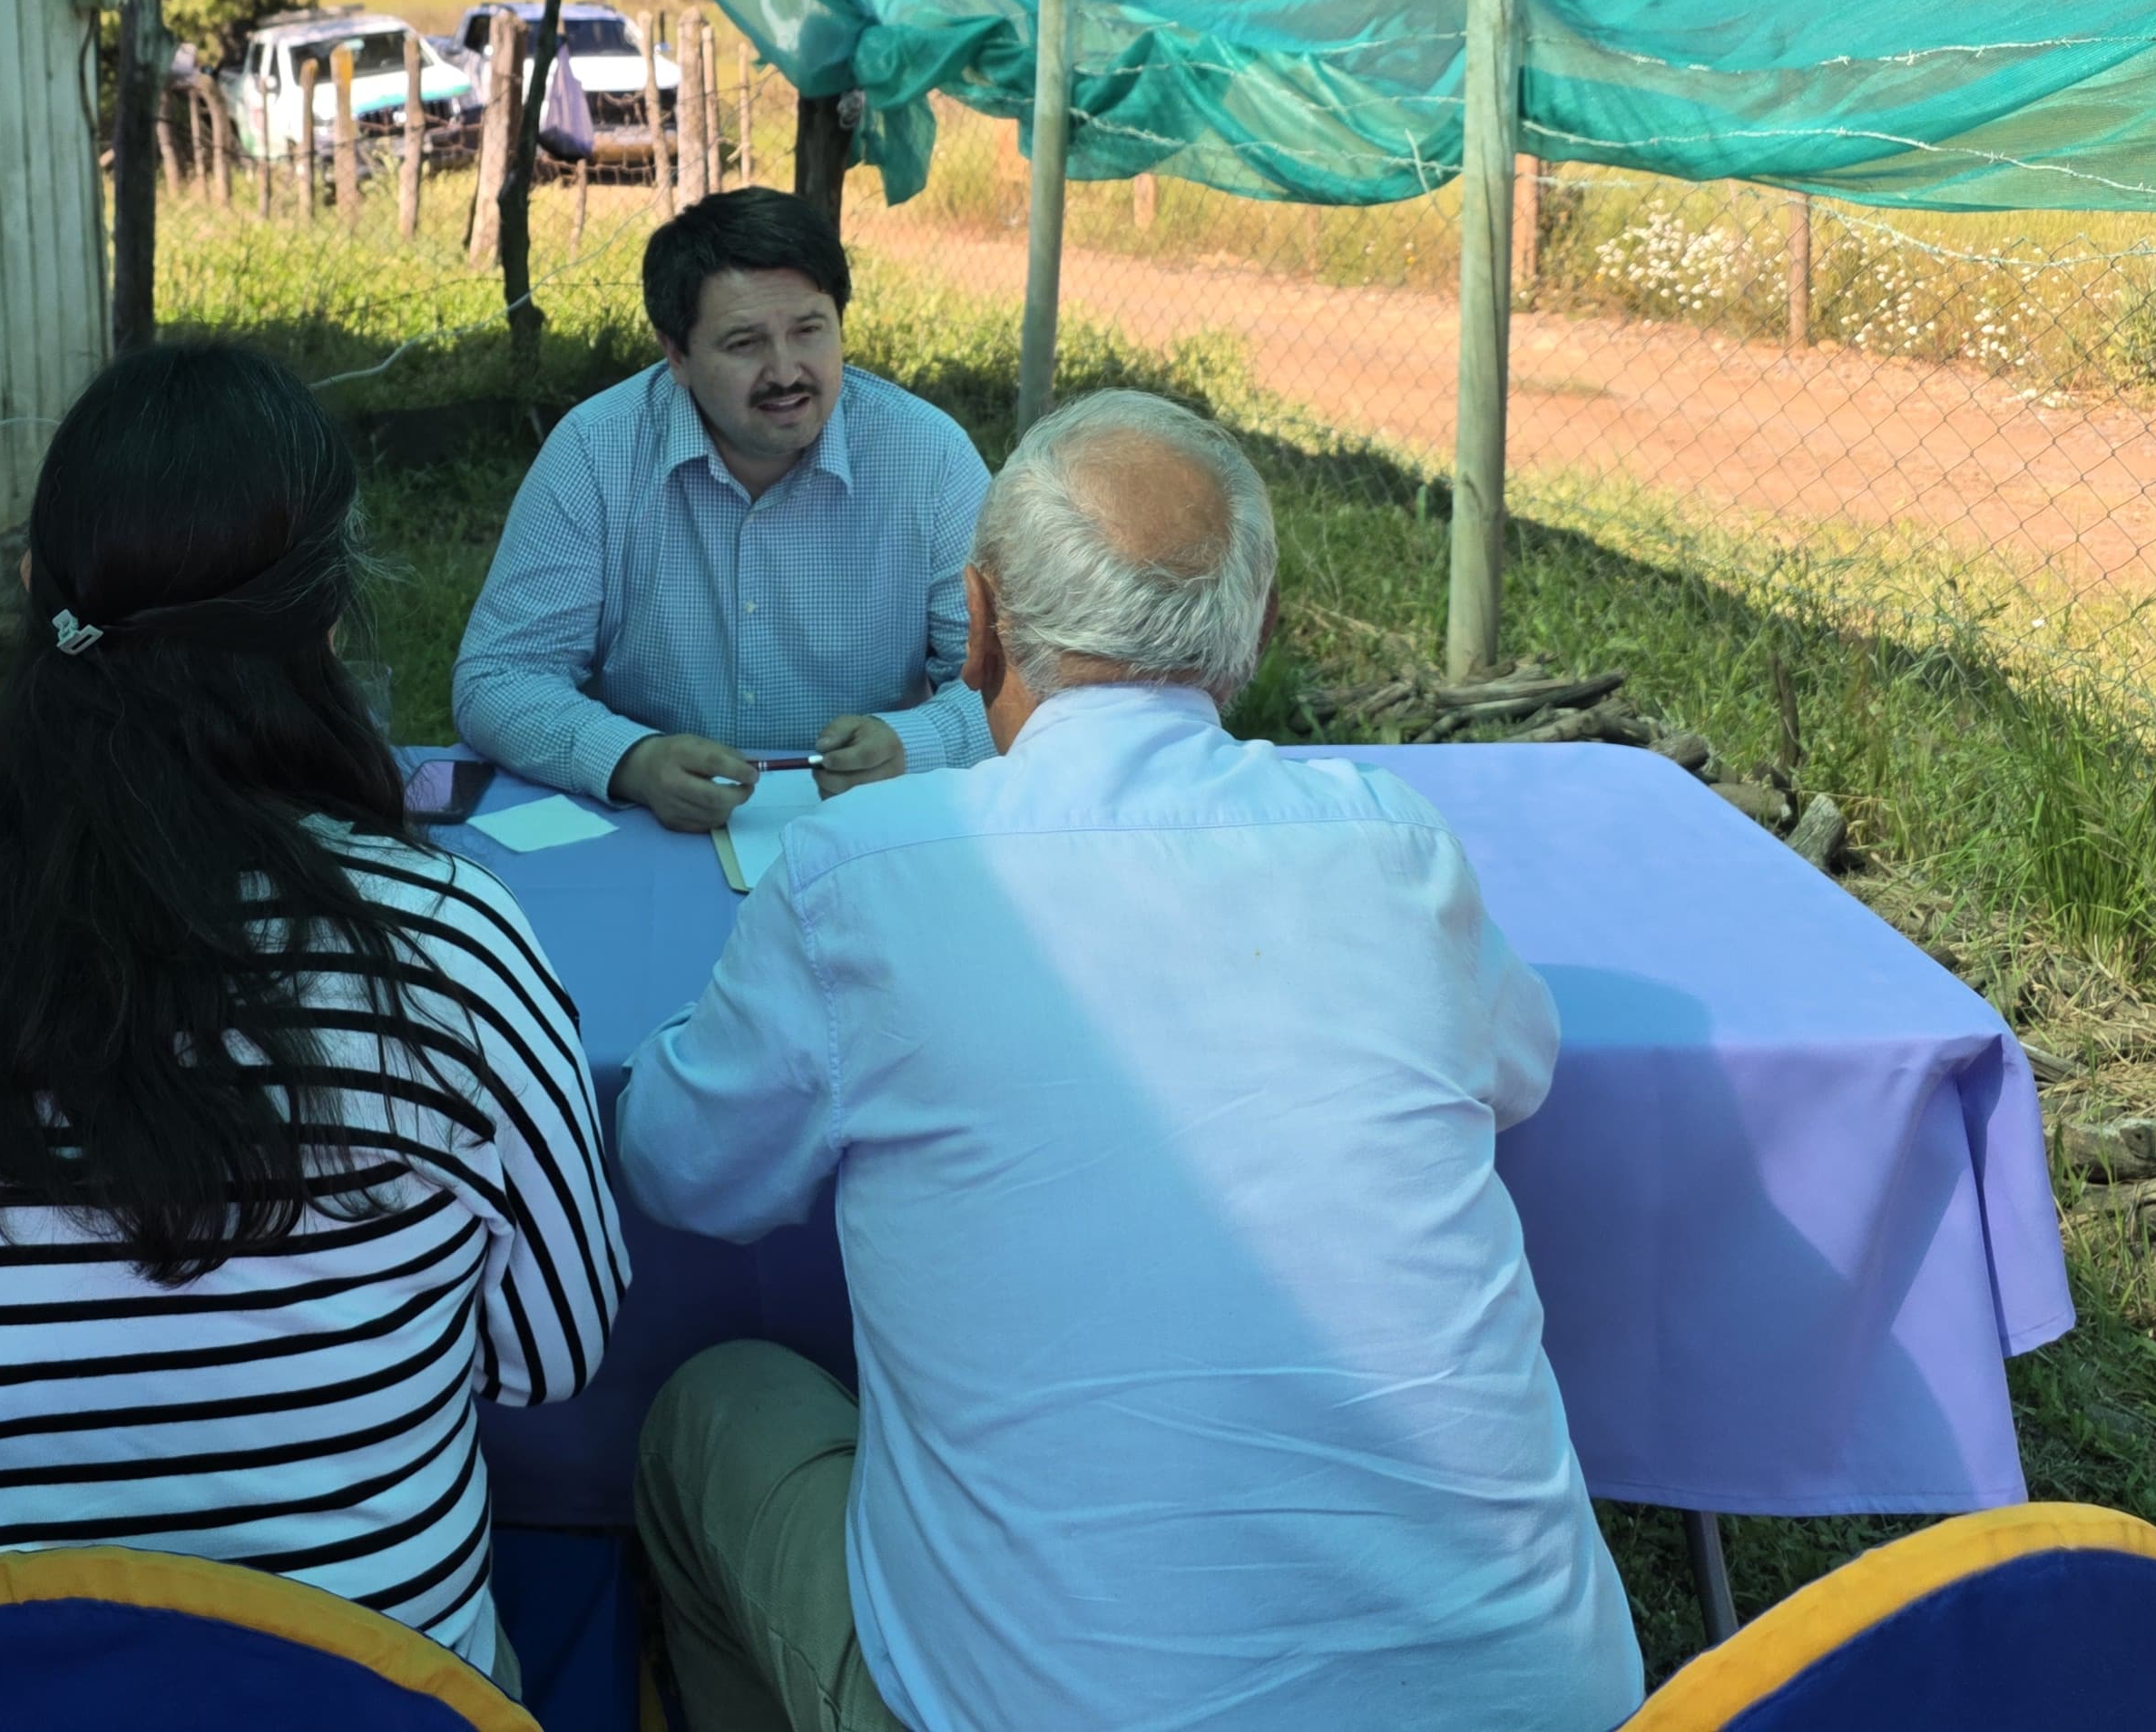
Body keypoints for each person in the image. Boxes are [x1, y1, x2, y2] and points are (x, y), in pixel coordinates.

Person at [615, 390, 1641, 1732]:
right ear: (1259, 633)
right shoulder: (1387, 840)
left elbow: (683, 1167)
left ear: (978, 623)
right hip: (1540, 1706)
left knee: (718, 1408)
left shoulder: (859, 873)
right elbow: (1521, 1069)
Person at [0, 343, 626, 1689]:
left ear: (40, 596)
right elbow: (550, 1357)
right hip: (349, 1693)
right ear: (330, 620)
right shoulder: (453, 956)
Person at [452, 188, 993, 833]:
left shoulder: (928, 458)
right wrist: (632, 760)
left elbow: (1016, 685)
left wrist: (915, 744)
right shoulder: (597, 451)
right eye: (744, 344)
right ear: (675, 355)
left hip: (871, 829)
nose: (786, 372)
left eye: (809, 331)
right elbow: (500, 676)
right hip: (655, 831)